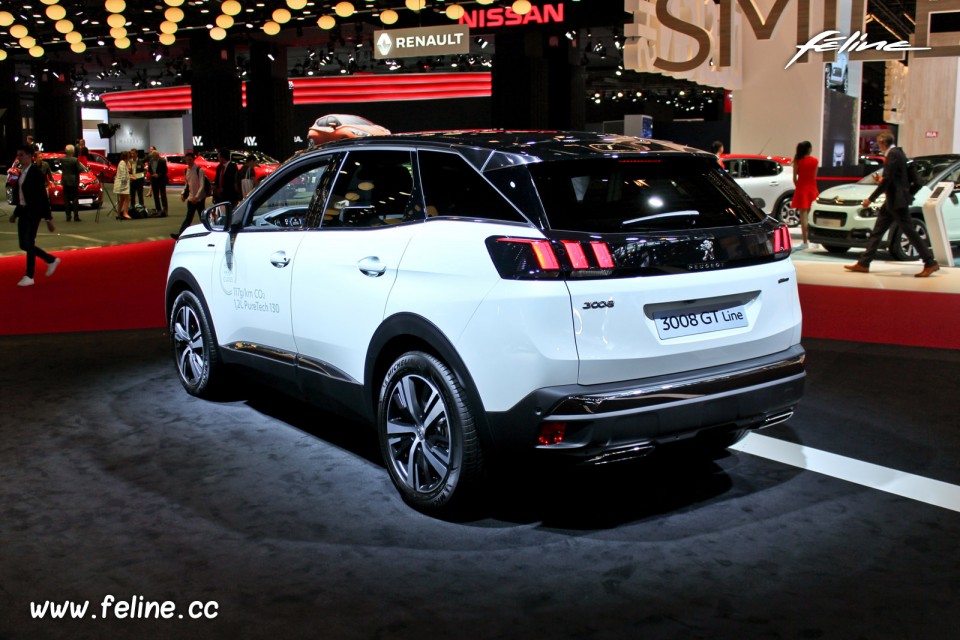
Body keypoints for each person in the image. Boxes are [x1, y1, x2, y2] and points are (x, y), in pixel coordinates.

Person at [844, 132, 939, 277]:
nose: (878, 146)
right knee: (878, 231)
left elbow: (888, 180)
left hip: (896, 202)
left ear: (882, 142)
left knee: (910, 232)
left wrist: (871, 199)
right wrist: (905, 193)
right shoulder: (899, 153)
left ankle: (930, 262)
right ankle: (864, 263)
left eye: (878, 143)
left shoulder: (893, 155)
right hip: (893, 201)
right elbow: (899, 179)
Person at [9, 145, 60, 287]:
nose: (19, 158)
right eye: (18, 155)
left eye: (22, 155)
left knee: (28, 243)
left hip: (34, 213)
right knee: (23, 244)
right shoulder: (21, 173)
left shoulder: (36, 174)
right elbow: (21, 197)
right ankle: (50, 259)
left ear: (30, 156)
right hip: (23, 211)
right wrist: (15, 214)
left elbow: (42, 197)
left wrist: (48, 219)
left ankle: (29, 275)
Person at [790, 140, 819, 249]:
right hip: (812, 189)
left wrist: (799, 186)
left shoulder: (798, 161)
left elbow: (794, 178)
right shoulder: (815, 161)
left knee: (803, 218)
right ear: (809, 149)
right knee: (812, 216)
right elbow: (815, 176)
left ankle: (805, 241)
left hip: (801, 189)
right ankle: (814, 240)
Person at [172, 151, 207, 239]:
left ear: (193, 159)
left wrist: (197, 197)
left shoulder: (199, 170)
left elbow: (202, 185)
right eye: (187, 160)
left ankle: (209, 231)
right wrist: (183, 194)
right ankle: (180, 234)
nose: (189, 161)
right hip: (191, 198)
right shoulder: (186, 171)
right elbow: (187, 184)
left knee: (202, 217)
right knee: (188, 218)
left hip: (199, 199)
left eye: (190, 159)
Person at [61, 144, 83, 223]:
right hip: (73, 181)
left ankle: (68, 216)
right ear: (73, 151)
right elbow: (80, 169)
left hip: (65, 181)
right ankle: (76, 216)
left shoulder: (62, 160)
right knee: (75, 199)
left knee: (66, 199)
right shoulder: (75, 160)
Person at [148, 149, 169, 216]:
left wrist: (158, 175)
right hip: (154, 180)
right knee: (155, 196)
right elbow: (149, 169)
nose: (153, 157)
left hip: (161, 180)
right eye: (152, 156)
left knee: (163, 195)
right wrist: (152, 174)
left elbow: (165, 171)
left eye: (154, 156)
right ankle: (158, 209)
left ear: (157, 155)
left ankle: (165, 210)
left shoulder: (162, 161)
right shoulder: (150, 161)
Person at [114, 150, 132, 220]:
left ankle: (118, 213)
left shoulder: (123, 163)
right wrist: (130, 178)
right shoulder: (122, 163)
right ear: (126, 156)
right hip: (122, 184)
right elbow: (124, 176)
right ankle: (125, 213)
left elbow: (125, 174)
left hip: (121, 184)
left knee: (122, 199)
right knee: (127, 198)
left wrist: (130, 176)